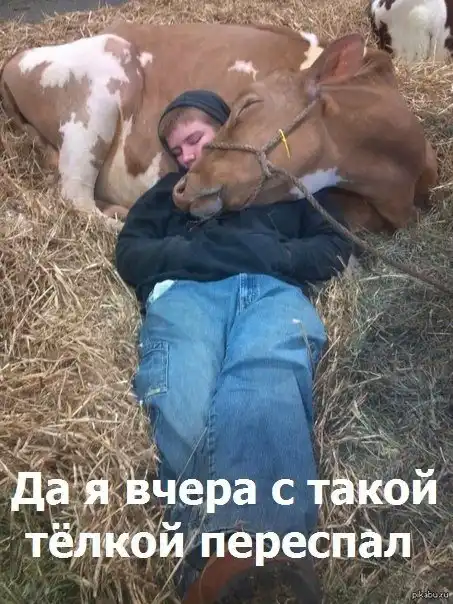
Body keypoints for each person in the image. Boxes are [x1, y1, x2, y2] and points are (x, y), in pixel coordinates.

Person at [115, 89, 353, 604]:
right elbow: (131, 252)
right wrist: (200, 253)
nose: (187, 157)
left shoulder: (285, 182)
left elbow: (335, 246)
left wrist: (272, 253)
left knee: (264, 376)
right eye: (177, 151)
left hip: (271, 291)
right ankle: (225, 564)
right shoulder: (169, 194)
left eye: (195, 140)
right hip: (186, 294)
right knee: (182, 390)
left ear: (226, 131)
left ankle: (257, 556)